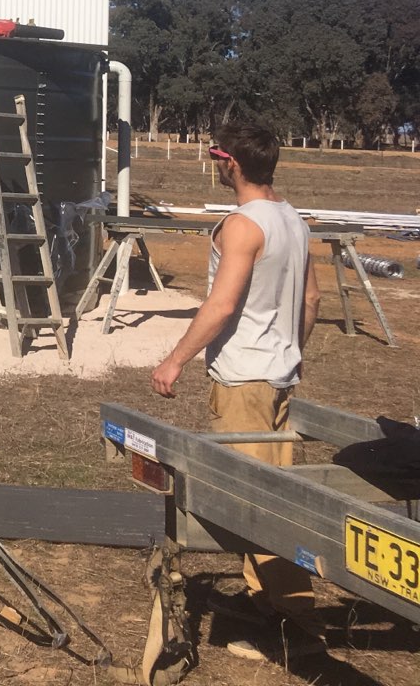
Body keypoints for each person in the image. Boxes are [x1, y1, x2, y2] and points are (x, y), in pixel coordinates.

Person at [150, 122, 324, 662]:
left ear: (232, 165)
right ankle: (266, 602)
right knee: (272, 489)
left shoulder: (242, 227)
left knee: (259, 505)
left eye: (216, 158)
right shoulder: (292, 219)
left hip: (245, 380)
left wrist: (174, 360)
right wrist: (289, 351)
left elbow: (222, 305)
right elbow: (311, 300)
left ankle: (297, 630)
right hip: (276, 376)